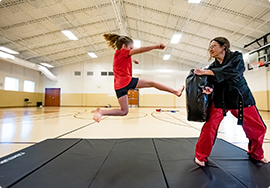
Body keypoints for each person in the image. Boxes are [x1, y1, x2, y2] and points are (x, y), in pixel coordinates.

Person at [193, 37, 268, 166]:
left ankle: (256, 154)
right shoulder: (213, 66)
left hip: (241, 98)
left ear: (224, 46)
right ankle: (201, 156)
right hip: (221, 99)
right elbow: (211, 83)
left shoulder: (236, 57)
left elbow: (232, 71)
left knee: (258, 128)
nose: (211, 48)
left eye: (214, 45)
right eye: (210, 46)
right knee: (210, 126)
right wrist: (209, 89)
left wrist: (206, 72)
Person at [93, 33, 185, 123]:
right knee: (152, 83)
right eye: (131, 48)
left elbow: (123, 60)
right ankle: (175, 92)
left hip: (119, 86)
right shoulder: (124, 52)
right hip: (126, 81)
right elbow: (141, 49)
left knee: (124, 111)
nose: (131, 50)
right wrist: (156, 46)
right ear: (124, 46)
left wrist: (132, 60)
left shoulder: (118, 54)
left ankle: (101, 112)